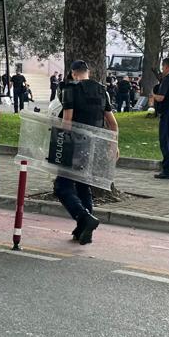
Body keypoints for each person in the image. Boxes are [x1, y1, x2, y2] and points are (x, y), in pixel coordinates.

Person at [53, 60, 119, 245]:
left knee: (62, 187)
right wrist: (114, 146)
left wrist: (62, 146)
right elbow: (113, 124)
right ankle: (85, 232)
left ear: (74, 73)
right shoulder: (102, 91)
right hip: (92, 147)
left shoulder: (70, 89)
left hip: (73, 145)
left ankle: (84, 217)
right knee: (83, 187)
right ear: (87, 72)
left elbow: (67, 121)